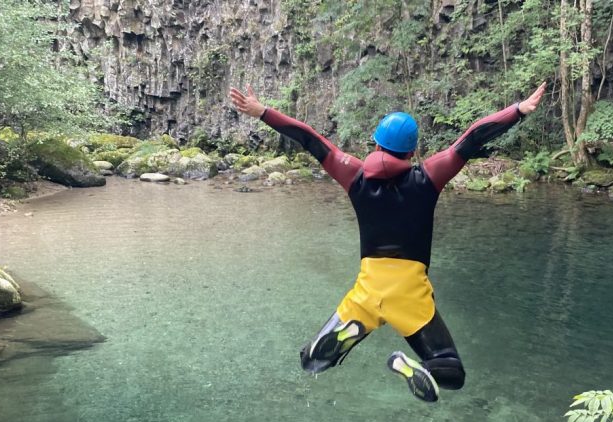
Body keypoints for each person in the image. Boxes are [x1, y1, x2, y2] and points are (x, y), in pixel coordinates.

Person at [230, 82, 546, 402]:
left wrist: (262, 112)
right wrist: (517, 110)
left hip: (368, 291)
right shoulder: (427, 178)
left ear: (377, 144)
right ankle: (413, 365)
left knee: (310, 361)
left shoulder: (353, 175)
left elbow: (310, 139)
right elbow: (473, 138)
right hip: (409, 293)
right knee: (451, 371)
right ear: (410, 152)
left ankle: (343, 333)